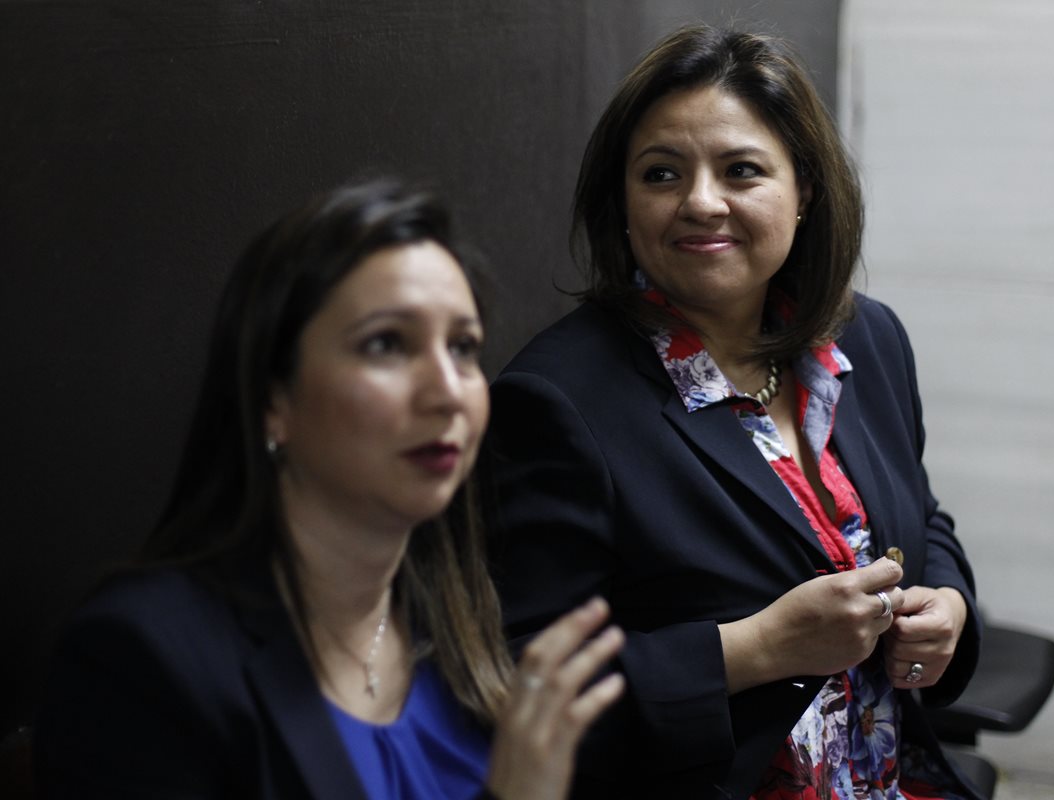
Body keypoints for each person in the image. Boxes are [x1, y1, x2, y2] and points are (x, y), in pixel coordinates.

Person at [483, 24, 982, 800]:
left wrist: (947, 607)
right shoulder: (555, 400)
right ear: (622, 200)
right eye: (661, 174)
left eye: (741, 170)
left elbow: (921, 516)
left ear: (804, 189)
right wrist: (756, 648)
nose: (700, 202)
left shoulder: (868, 338)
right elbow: (513, 686)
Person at [34, 178, 625, 800]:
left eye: (463, 348)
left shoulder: (457, 613)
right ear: (274, 399)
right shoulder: (137, 659)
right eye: (386, 344)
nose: (448, 392)